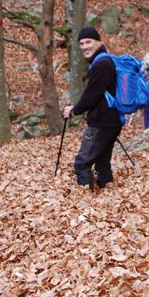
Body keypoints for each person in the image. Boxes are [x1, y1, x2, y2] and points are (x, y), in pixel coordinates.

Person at [63, 27, 122, 190]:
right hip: (112, 121)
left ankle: (85, 199)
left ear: (99, 42)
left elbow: (91, 95)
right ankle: (107, 196)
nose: (84, 46)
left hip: (101, 123)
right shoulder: (106, 60)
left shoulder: (101, 64)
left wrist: (74, 111)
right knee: (102, 164)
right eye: (81, 43)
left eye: (88, 42)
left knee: (82, 164)